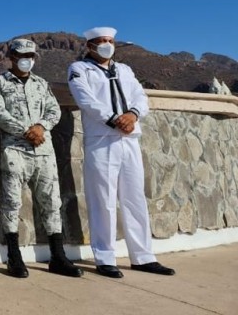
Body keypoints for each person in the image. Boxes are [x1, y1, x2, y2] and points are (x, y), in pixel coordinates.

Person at [68, 27, 175, 278]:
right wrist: (115, 118)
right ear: (90, 46)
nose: (107, 45)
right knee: (103, 199)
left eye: (110, 41)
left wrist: (133, 115)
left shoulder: (125, 70)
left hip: (129, 138)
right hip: (102, 139)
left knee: (134, 197)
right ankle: (105, 258)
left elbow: (140, 96)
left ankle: (143, 257)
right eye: (101, 41)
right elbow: (86, 100)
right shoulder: (79, 70)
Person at [0, 39, 82, 278]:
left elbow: (54, 110)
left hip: (43, 150)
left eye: (31, 55)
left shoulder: (42, 84)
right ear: (11, 56)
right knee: (12, 203)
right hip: (15, 150)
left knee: (52, 203)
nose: (27, 59)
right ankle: (13, 256)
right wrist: (25, 131)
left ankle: (58, 256)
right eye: (22, 55)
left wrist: (40, 127)